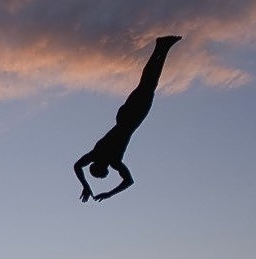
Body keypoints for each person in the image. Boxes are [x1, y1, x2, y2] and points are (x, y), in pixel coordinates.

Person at [74, 35, 182, 202]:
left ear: (101, 168)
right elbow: (78, 166)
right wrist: (89, 187)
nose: (106, 175)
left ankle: (162, 46)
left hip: (130, 118)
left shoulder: (110, 159)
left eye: (103, 175)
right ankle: (162, 48)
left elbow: (127, 181)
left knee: (148, 85)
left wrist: (101, 191)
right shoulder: (100, 156)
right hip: (125, 117)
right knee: (147, 84)